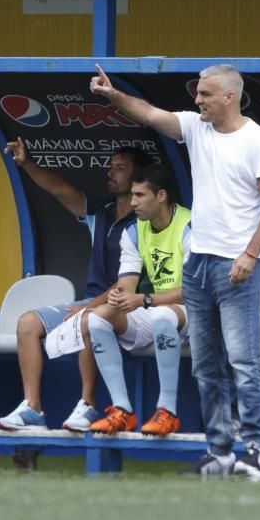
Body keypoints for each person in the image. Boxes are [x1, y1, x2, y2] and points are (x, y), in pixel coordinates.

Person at [90, 63, 260, 481]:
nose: (197, 101)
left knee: (244, 361)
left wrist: (250, 254)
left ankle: (255, 452)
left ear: (230, 97)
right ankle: (218, 452)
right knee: (205, 365)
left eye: (205, 95)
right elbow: (148, 113)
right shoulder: (196, 128)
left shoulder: (259, 141)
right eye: (197, 95)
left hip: (239, 266)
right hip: (199, 265)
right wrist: (114, 95)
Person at [0, 138, 150, 431]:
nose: (111, 172)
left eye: (120, 168)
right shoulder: (100, 211)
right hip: (91, 302)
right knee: (28, 323)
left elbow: (127, 285)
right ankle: (32, 408)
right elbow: (59, 189)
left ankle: (88, 406)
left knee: (90, 321)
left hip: (126, 308)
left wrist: (88, 307)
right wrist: (27, 163)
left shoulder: (145, 219)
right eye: (111, 165)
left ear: (137, 178)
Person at [79, 164, 191, 436]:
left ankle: (168, 411)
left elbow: (195, 289)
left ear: (161, 196)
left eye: (140, 195)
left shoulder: (190, 225)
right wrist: (121, 296)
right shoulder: (134, 230)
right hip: (156, 307)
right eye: (132, 195)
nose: (133, 202)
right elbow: (128, 284)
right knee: (97, 319)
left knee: (164, 316)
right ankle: (122, 410)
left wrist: (143, 300)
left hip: (197, 311)